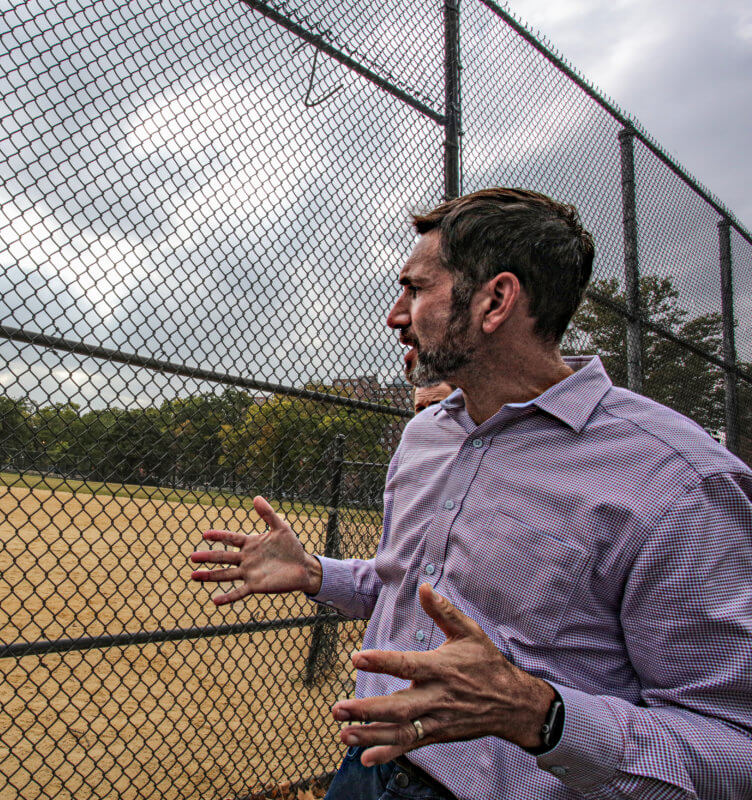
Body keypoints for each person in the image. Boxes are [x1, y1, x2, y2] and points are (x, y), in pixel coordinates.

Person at [190, 188, 752, 800]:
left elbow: (733, 745)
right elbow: (410, 591)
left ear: (496, 301)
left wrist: (538, 714)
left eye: (417, 289)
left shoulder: (678, 480)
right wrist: (315, 573)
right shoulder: (426, 436)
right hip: (368, 769)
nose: (395, 315)